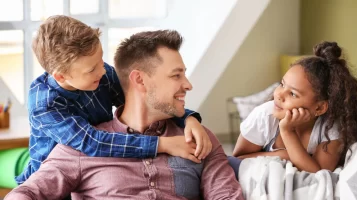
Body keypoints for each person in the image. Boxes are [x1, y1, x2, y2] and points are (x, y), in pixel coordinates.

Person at [0, 30, 253, 200]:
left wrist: (189, 117)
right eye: (177, 75)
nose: (188, 84)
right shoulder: (81, 146)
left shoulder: (199, 138)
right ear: (139, 80)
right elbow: (28, 194)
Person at [16, 15, 212, 185]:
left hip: (94, 170)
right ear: (61, 77)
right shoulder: (45, 104)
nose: (103, 70)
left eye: (101, 60)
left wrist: (188, 118)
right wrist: (163, 144)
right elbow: (92, 142)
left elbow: (142, 101)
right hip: (54, 183)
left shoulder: (101, 73)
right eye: (92, 69)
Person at [233, 41, 357, 173]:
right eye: (282, 84)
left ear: (319, 108)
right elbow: (236, 160)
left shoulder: (329, 128)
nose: (279, 95)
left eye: (293, 94)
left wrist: (288, 132)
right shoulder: (264, 116)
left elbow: (319, 174)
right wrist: (283, 156)